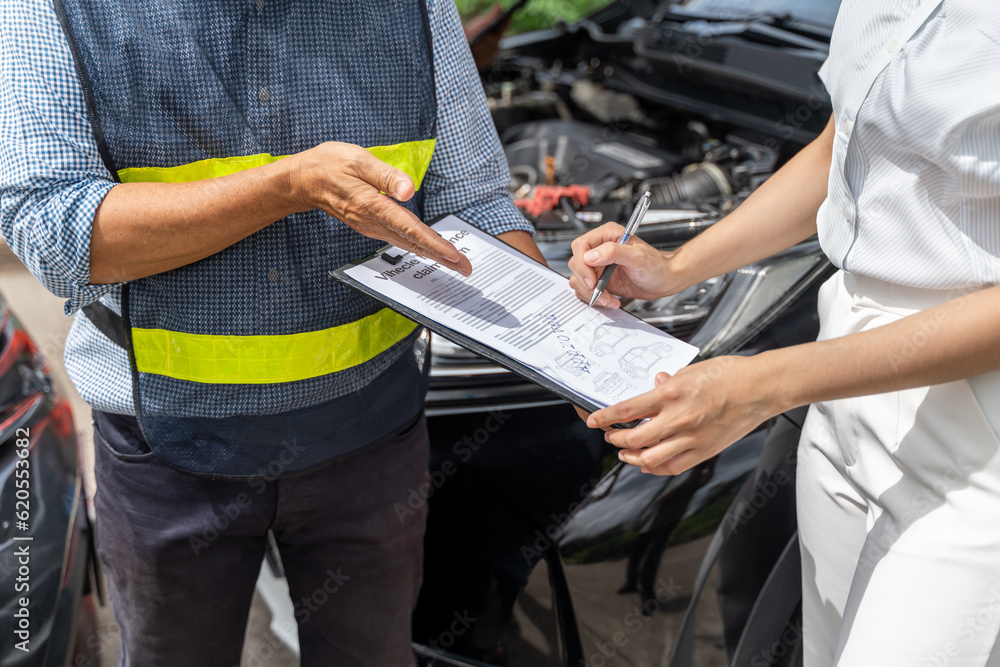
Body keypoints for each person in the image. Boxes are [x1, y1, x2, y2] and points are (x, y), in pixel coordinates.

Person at [0, 0, 543, 664]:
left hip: (372, 439)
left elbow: (475, 200)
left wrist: (575, 345)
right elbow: (55, 233)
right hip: (168, 447)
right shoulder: (56, 10)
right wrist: (285, 186)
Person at [568, 0, 1000, 664]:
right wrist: (676, 267)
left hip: (972, 425)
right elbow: (842, 147)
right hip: (840, 379)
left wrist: (766, 386)